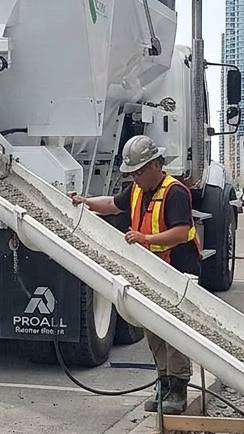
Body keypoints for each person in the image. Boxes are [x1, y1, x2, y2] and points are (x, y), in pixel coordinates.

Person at [69, 135, 199, 415]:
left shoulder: (175, 192)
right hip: (153, 270)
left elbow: (180, 232)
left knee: (174, 331)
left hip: (178, 270)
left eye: (138, 172)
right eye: (132, 173)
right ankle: (163, 381)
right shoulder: (137, 190)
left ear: (155, 165)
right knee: (153, 328)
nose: (135, 178)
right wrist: (85, 202)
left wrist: (146, 238)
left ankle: (178, 388)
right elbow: (112, 204)